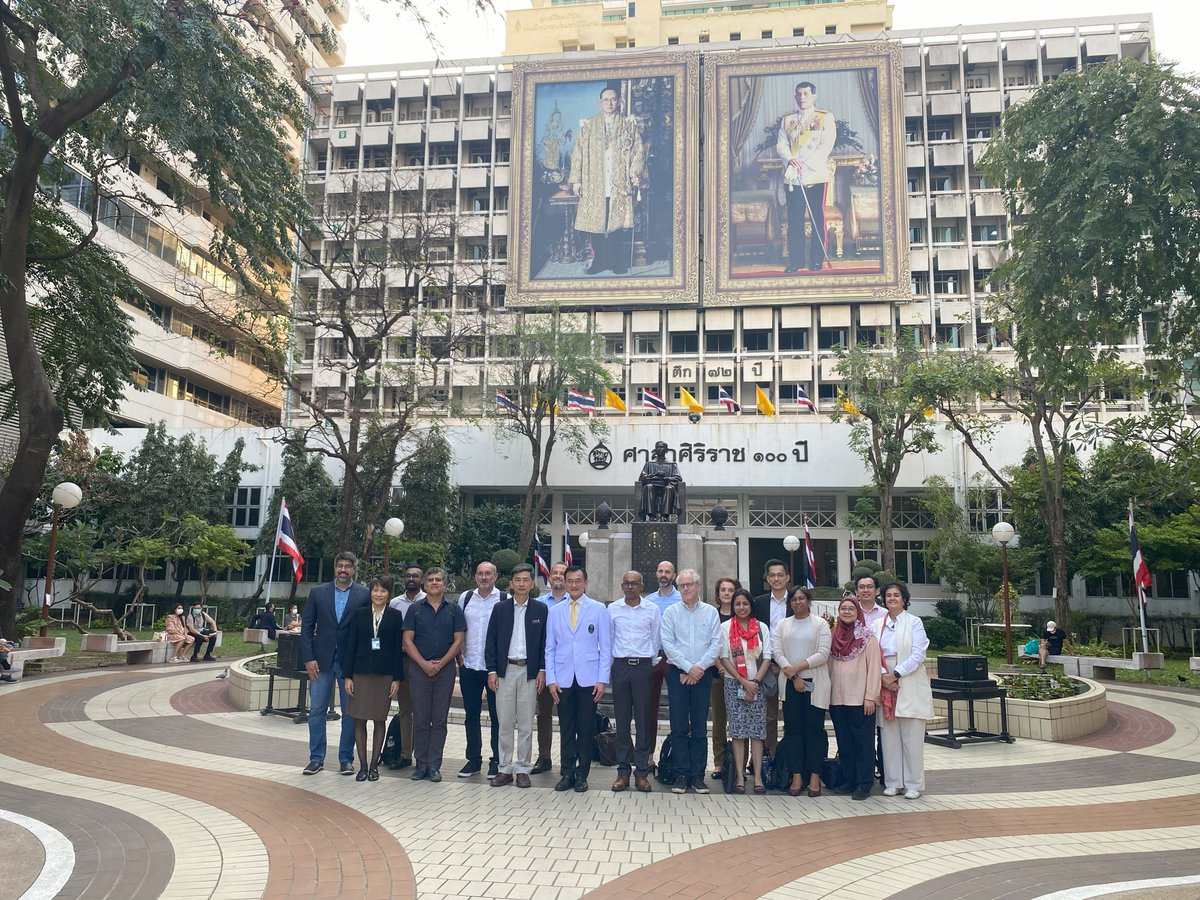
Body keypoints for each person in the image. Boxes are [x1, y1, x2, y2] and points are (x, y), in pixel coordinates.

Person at [301, 551, 370, 776]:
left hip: (350, 664)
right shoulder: (318, 593)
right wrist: (308, 658)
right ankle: (316, 758)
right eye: (340, 566)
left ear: (354, 569)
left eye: (347, 567)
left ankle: (345, 758)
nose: (343, 570)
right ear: (334, 568)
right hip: (321, 662)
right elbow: (307, 628)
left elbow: (368, 629)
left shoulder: (364, 594)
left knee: (350, 712)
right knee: (317, 711)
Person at [544, 564, 611, 793]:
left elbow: (606, 647)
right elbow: (549, 649)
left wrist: (602, 679)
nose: (573, 585)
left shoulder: (598, 609)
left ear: (586, 583)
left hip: (589, 680)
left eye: (577, 581)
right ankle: (566, 772)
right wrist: (552, 680)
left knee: (585, 728)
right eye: (569, 581)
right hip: (562, 679)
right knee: (566, 727)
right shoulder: (554, 611)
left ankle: (582, 775)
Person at [569, 84, 645, 276]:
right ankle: (599, 261)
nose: (609, 103)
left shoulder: (629, 125)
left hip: (619, 183)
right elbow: (577, 153)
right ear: (600, 102)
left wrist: (634, 173)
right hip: (595, 183)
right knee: (597, 225)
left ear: (619, 101)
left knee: (617, 225)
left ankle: (616, 261)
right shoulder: (588, 126)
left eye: (613, 99)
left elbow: (638, 151)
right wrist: (577, 181)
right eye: (606, 100)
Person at [485, 565, 548, 788]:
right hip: (505, 671)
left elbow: (544, 644)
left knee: (525, 723)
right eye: (517, 580)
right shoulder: (500, 609)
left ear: (532, 584)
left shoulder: (540, 610)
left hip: (529, 672)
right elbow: (490, 641)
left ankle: (522, 768)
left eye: (526, 580)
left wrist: (542, 669)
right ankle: (504, 768)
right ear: (511, 583)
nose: (521, 584)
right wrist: (492, 670)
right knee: (504, 722)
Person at [660, 568, 721, 794]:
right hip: (678, 675)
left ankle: (697, 776)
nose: (685, 588)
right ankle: (680, 774)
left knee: (699, 726)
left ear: (698, 586)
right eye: (682, 585)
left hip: (702, 675)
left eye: (689, 584)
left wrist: (698, 669)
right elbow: (668, 644)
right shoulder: (671, 613)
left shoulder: (710, 613)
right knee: (677, 726)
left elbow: (716, 644)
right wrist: (688, 668)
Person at [403, 567, 466, 783]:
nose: (434, 583)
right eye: (430, 580)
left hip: (445, 670)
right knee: (420, 719)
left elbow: (459, 640)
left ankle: (434, 766)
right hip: (419, 670)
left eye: (439, 580)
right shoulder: (415, 609)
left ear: (445, 584)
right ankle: (421, 764)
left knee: (439, 720)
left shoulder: (454, 610)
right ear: (425, 584)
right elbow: (407, 640)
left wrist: (441, 664)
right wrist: (423, 663)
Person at [344, 575, 406, 783]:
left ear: (389, 594)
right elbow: (350, 646)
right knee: (359, 718)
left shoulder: (396, 616)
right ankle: (362, 766)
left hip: (384, 674)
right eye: (375, 590)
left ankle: (374, 766)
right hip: (360, 673)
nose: (379, 594)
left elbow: (398, 649)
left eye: (383, 591)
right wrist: (347, 676)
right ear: (370, 592)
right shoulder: (359, 614)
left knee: (379, 719)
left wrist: (397, 678)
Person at [772, 586, 831, 798]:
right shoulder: (783, 624)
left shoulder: (820, 624)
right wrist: (794, 676)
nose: (798, 602)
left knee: (814, 731)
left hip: (814, 683)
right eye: (794, 599)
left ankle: (815, 775)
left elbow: (823, 654)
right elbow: (777, 652)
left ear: (808, 601)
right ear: (789, 603)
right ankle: (797, 775)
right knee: (793, 731)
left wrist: (797, 669)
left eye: (802, 598)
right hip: (790, 683)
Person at [877, 581, 933, 800]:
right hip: (884, 680)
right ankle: (893, 782)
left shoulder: (914, 622)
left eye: (896, 595)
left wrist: (896, 674)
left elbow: (918, 653)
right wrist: (884, 675)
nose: (892, 599)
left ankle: (913, 784)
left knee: (912, 737)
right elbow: (874, 651)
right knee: (889, 737)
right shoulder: (877, 624)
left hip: (907, 678)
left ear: (904, 599)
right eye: (888, 595)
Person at [607, 569, 660, 793]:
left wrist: (648, 663)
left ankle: (641, 773)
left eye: (634, 583)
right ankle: (622, 771)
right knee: (622, 721)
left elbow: (656, 640)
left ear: (642, 586)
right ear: (622, 586)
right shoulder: (612, 609)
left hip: (643, 668)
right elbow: (608, 640)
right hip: (620, 667)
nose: (630, 587)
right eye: (626, 583)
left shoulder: (652, 609)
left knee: (643, 720)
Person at [776, 80, 837, 274]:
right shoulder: (788, 120)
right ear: (795, 96)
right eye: (798, 94)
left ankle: (816, 260)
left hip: (815, 176)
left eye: (806, 94)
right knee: (794, 221)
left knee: (817, 218)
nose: (802, 97)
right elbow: (781, 145)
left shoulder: (825, 118)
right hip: (793, 178)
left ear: (813, 96)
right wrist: (791, 160)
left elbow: (826, 145)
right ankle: (796, 261)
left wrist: (806, 164)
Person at [718, 589, 773, 794]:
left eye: (745, 604)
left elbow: (767, 656)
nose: (742, 608)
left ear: (751, 606)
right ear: (733, 606)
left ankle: (757, 777)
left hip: (757, 684)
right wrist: (743, 682)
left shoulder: (761, 628)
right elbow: (724, 657)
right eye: (738, 604)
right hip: (734, 684)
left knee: (758, 733)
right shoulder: (725, 627)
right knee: (738, 732)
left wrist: (755, 682)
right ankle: (740, 777)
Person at [828, 597, 881, 801]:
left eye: (851, 608)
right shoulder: (832, 636)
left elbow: (874, 669)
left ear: (858, 612)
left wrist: (870, 697)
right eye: (843, 608)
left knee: (863, 743)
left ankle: (864, 783)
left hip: (860, 700)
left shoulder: (867, 638)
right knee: (844, 742)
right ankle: (849, 779)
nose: (847, 612)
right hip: (837, 700)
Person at [456, 561, 505, 780]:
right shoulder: (465, 598)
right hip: (469, 666)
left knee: (497, 716)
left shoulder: (504, 599)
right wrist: (459, 658)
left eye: (488, 574)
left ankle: (496, 760)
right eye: (480, 574)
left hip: (494, 669)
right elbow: (458, 630)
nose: (484, 577)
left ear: (495, 576)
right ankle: (473, 759)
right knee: (471, 716)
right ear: (475, 577)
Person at [385, 564, 426, 770]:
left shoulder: (428, 601)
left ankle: (421, 756)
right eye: (408, 575)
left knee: (421, 710)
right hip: (400, 660)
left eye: (416, 576)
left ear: (422, 579)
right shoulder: (394, 603)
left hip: (421, 662)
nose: (411, 578)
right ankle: (404, 754)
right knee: (405, 709)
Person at [533, 561, 569, 775]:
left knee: (567, 716)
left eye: (562, 573)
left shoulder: (574, 602)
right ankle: (544, 757)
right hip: (544, 668)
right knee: (544, 713)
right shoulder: (538, 603)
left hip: (568, 670)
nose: (557, 576)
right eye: (554, 573)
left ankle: (567, 757)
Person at [753, 558, 792, 752]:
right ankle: (769, 756)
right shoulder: (758, 603)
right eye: (772, 575)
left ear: (787, 577)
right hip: (767, 664)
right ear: (767, 579)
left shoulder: (796, 601)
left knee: (792, 714)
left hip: (791, 665)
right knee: (768, 715)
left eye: (780, 575)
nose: (776, 579)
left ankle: (790, 759)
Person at [644, 559, 680, 763]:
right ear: (656, 574)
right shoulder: (648, 601)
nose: (664, 574)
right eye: (660, 571)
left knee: (678, 706)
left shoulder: (681, 599)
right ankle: (648, 755)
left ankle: (675, 754)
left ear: (673, 575)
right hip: (654, 656)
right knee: (649, 707)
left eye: (668, 571)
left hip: (675, 658)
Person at [709, 576, 739, 779]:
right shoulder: (713, 616)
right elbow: (711, 646)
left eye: (731, 590)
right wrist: (721, 668)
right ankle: (719, 763)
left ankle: (739, 765)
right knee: (719, 721)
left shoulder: (744, 616)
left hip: (741, 678)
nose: (727, 593)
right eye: (723, 590)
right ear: (718, 594)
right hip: (718, 675)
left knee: (739, 722)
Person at [636, 441, 684, 521]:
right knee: (648, 487)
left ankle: (664, 516)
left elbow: (678, 478)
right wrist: (655, 474)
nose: (660, 449)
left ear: (666, 450)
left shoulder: (672, 464)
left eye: (662, 447)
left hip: (665, 486)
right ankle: (651, 516)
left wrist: (667, 478)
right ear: (655, 450)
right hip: (652, 487)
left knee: (669, 488)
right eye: (658, 447)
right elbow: (642, 477)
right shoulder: (649, 464)